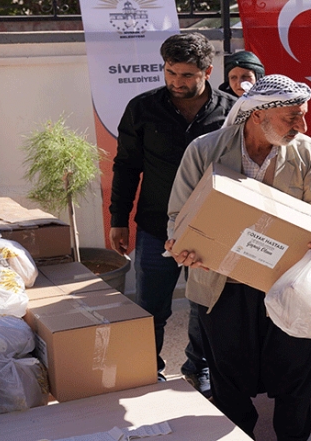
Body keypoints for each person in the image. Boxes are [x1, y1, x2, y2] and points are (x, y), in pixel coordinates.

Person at [165, 75, 311, 441]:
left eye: (303, 116)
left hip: (288, 286)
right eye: (292, 117)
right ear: (258, 115)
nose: (302, 126)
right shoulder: (204, 150)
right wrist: (184, 247)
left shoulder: (308, 153)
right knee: (229, 381)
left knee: (296, 377)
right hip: (223, 287)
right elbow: (179, 216)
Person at [110, 32, 236, 392]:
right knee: (151, 306)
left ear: (208, 71)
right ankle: (151, 369)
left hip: (212, 228)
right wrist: (118, 219)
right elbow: (126, 166)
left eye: (187, 76)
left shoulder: (230, 113)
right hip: (154, 227)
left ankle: (200, 366)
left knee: (204, 305)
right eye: (170, 72)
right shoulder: (142, 108)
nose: (177, 82)